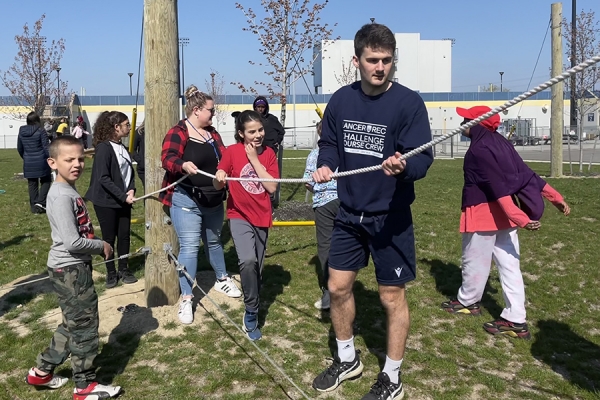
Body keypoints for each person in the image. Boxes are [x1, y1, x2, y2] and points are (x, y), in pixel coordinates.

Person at [311, 23, 434, 400]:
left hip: (390, 217)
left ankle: (392, 378)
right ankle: (347, 358)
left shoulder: (409, 103)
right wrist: (326, 164)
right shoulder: (341, 101)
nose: (380, 67)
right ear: (357, 61)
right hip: (349, 212)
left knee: (390, 297)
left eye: (386, 60)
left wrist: (405, 167)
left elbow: (423, 159)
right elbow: (329, 142)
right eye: (372, 60)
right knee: (336, 287)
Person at [441, 106, 571, 339]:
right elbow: (527, 173)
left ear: (478, 123)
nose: (462, 123)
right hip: (505, 218)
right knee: (510, 266)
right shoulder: (502, 143)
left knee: (474, 261)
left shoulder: (478, 151)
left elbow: (498, 187)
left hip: (484, 215)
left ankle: (468, 302)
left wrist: (520, 217)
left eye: (466, 119)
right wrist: (555, 197)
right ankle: (515, 318)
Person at [25, 135, 121, 399]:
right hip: (70, 270)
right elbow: (72, 241)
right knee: (86, 328)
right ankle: (85, 385)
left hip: (72, 269)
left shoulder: (67, 190)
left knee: (73, 323)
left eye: (80, 158)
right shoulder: (59, 195)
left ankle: (41, 371)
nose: (77, 164)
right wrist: (101, 245)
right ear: (52, 162)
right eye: (69, 160)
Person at [160, 84, 241, 325]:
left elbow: (224, 158)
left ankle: (221, 278)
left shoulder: (212, 134)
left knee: (214, 241)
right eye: (211, 110)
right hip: (186, 198)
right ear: (196, 110)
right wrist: (182, 165)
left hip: (214, 199)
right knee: (190, 246)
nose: (213, 113)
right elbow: (167, 157)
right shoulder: (179, 131)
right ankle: (187, 297)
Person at [214, 110, 279, 341]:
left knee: (256, 270)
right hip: (238, 214)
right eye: (252, 131)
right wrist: (219, 175)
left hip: (261, 216)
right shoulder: (231, 152)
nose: (258, 135)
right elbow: (217, 184)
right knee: (247, 260)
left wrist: (254, 159)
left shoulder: (269, 154)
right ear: (241, 133)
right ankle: (251, 311)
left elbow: (271, 188)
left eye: (260, 129)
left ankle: (253, 298)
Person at [85, 111, 138, 289]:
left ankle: (124, 269)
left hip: (123, 199)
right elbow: (103, 178)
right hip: (106, 200)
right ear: (116, 127)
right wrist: (123, 196)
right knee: (109, 237)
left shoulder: (122, 147)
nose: (129, 128)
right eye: (126, 124)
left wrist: (131, 189)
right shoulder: (104, 148)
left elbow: (128, 173)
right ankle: (111, 273)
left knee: (124, 236)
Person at [303, 121, 339, 310]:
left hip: (325, 204)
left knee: (326, 246)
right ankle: (339, 290)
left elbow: (307, 182)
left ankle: (330, 292)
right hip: (344, 200)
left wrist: (316, 185)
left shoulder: (315, 154)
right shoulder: (344, 152)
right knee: (344, 245)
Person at [252, 96, 285, 209]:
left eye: (262, 107)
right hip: (254, 151)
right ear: (255, 107)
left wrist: (277, 142)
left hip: (269, 151)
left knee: (268, 176)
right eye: (258, 107)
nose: (260, 109)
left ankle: (269, 202)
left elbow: (281, 132)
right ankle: (255, 200)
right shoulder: (251, 119)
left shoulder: (272, 119)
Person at [17, 111, 53, 214]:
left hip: (28, 160)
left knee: (32, 184)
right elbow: (46, 148)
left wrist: (25, 157)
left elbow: (20, 148)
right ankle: (41, 202)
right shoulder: (41, 131)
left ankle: (34, 206)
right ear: (37, 121)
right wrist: (50, 158)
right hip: (41, 160)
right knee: (46, 180)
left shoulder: (21, 131)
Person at [132, 120, 146, 190]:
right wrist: (140, 161)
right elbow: (132, 149)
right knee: (148, 191)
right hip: (144, 168)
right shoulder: (140, 132)